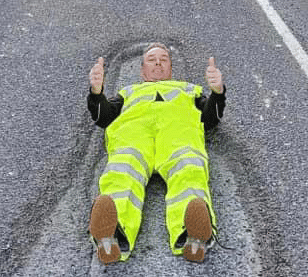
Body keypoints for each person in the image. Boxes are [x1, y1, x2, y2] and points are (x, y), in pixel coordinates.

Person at [87, 43, 226, 264]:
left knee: (189, 168)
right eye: (152, 59)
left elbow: (211, 119)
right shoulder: (128, 92)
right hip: (134, 136)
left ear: (171, 68)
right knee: (122, 171)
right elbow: (103, 117)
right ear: (142, 71)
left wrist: (218, 93)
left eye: (164, 59)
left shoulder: (189, 90)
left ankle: (192, 237)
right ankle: (111, 237)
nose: (158, 62)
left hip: (178, 136)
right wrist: (96, 94)